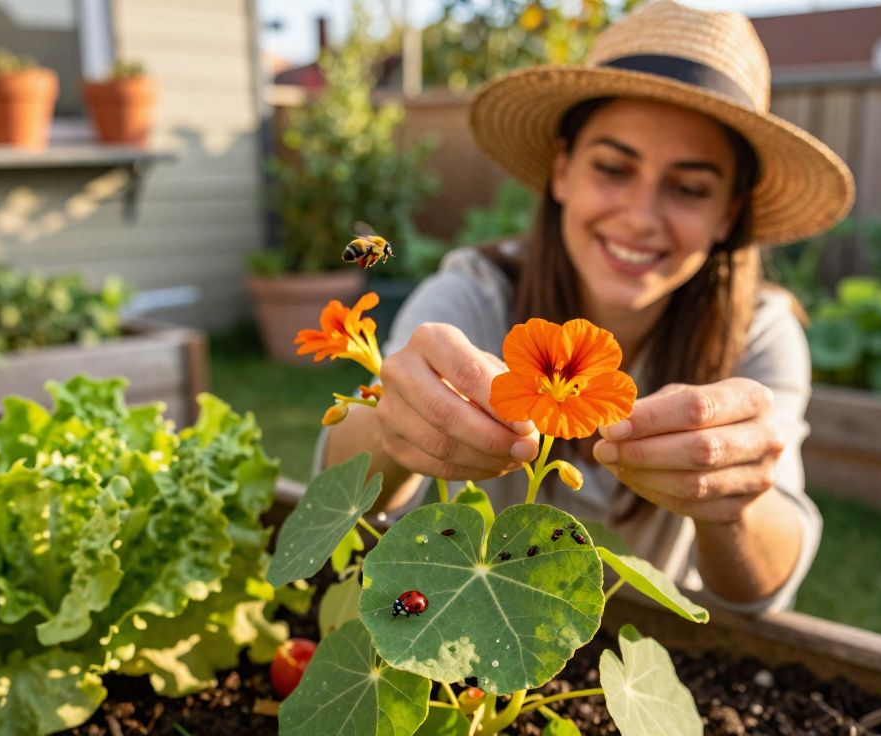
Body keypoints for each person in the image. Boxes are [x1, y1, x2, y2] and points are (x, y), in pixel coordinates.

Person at [318, 0, 854, 613]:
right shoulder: (474, 292)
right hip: (460, 630)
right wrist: (393, 427)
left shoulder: (759, 333)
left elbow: (762, 588)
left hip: (642, 647)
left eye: (689, 187)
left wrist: (739, 500)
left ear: (729, 211)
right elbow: (336, 488)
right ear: (563, 171)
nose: (641, 216)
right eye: (613, 167)